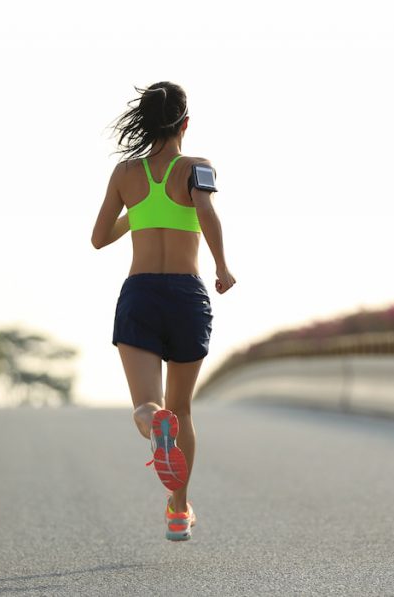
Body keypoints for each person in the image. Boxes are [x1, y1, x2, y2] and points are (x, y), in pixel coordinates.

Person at [91, 81, 236, 541]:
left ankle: (153, 423)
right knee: (184, 410)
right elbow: (207, 213)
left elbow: (98, 237)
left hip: (140, 294)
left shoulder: (125, 174)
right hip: (187, 296)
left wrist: (139, 210)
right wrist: (223, 266)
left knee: (148, 405)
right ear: (185, 124)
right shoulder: (198, 167)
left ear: (147, 123)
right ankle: (178, 510)